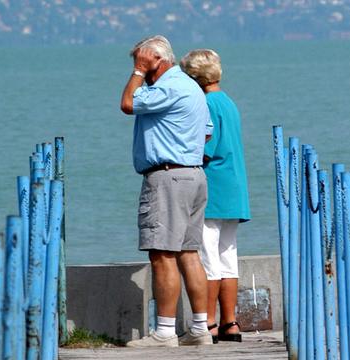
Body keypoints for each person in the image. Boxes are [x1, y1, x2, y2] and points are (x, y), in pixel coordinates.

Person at [119, 35, 214, 348]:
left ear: (156, 61)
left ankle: (165, 332)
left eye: (143, 63)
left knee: (162, 255)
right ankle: (200, 328)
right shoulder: (191, 87)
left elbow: (128, 104)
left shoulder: (168, 86)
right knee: (189, 253)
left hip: (168, 177)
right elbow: (208, 131)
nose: (140, 70)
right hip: (194, 175)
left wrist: (137, 74)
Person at [180, 49, 251, 343]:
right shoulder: (229, 102)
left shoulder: (206, 104)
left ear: (195, 78)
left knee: (207, 258)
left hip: (214, 187)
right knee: (228, 256)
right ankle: (229, 321)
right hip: (235, 187)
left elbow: (206, 149)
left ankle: (207, 322)